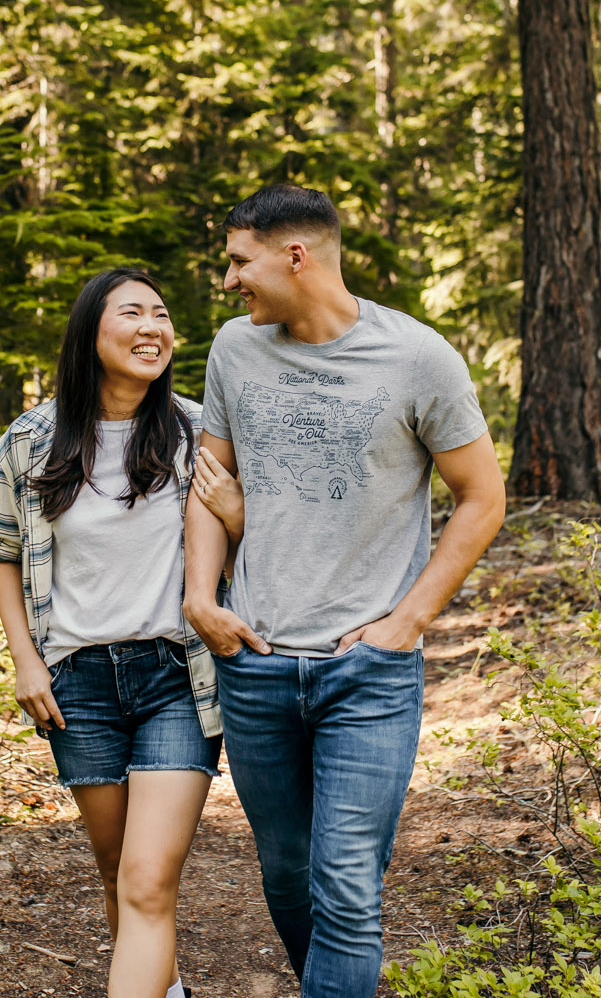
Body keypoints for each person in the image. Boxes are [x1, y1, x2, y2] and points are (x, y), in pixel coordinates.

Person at [182, 184, 508, 998]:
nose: (229, 281)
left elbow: (484, 496)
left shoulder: (418, 358)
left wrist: (408, 620)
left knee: (350, 891)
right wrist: (199, 597)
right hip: (254, 663)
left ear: (295, 255)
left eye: (238, 260)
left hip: (366, 672)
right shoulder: (234, 348)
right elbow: (208, 482)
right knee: (288, 876)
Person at [0, 266, 246, 998]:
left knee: (146, 873)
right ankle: (165, 986)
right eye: (131, 312)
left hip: (174, 675)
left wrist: (237, 509)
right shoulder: (31, 439)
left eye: (161, 314)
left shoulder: (198, 431)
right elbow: (3, 554)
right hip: (78, 682)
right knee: (114, 868)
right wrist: (26, 662)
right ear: (89, 333)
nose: (151, 328)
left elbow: (250, 539)